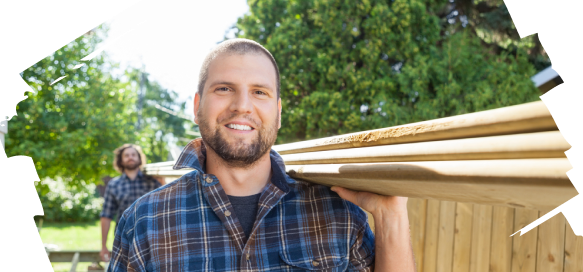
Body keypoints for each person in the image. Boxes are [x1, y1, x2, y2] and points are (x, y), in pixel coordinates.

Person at [108, 39, 415, 271]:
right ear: (197, 107)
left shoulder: (339, 213)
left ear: (278, 113)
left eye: (259, 92)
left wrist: (391, 217)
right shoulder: (144, 221)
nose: (242, 105)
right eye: (225, 89)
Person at [100, 144, 163, 262]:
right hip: (123, 241)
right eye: (126, 155)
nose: (131, 157)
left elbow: (165, 208)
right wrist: (103, 246)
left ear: (139, 158)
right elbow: (106, 216)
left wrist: (162, 182)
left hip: (150, 240)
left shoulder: (153, 182)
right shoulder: (114, 185)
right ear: (121, 160)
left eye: (134, 154)